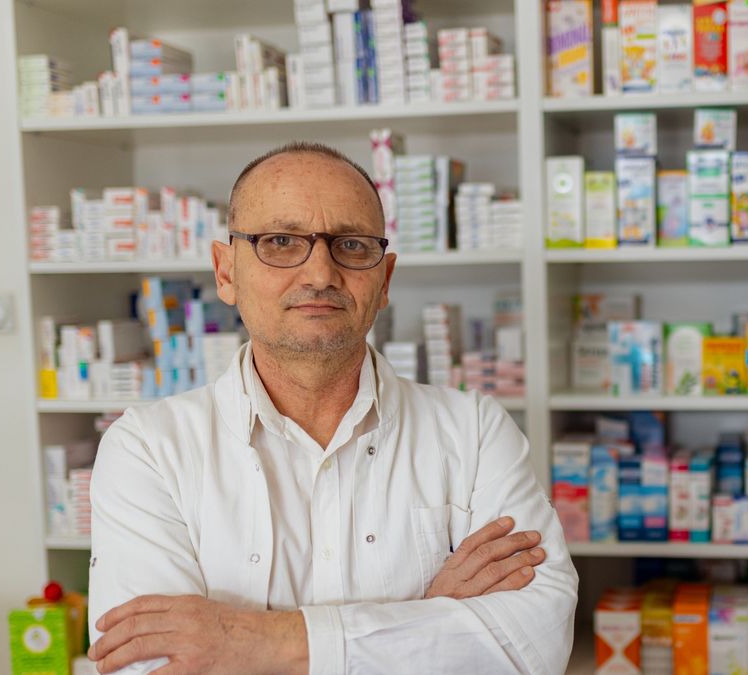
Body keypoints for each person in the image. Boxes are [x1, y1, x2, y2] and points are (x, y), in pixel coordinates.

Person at [84, 142, 579, 674]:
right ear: (225, 272)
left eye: (351, 244)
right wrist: (432, 616)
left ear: (384, 279)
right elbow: (150, 667)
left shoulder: (474, 432)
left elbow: (534, 648)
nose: (320, 273)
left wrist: (251, 641)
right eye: (279, 241)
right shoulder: (147, 451)